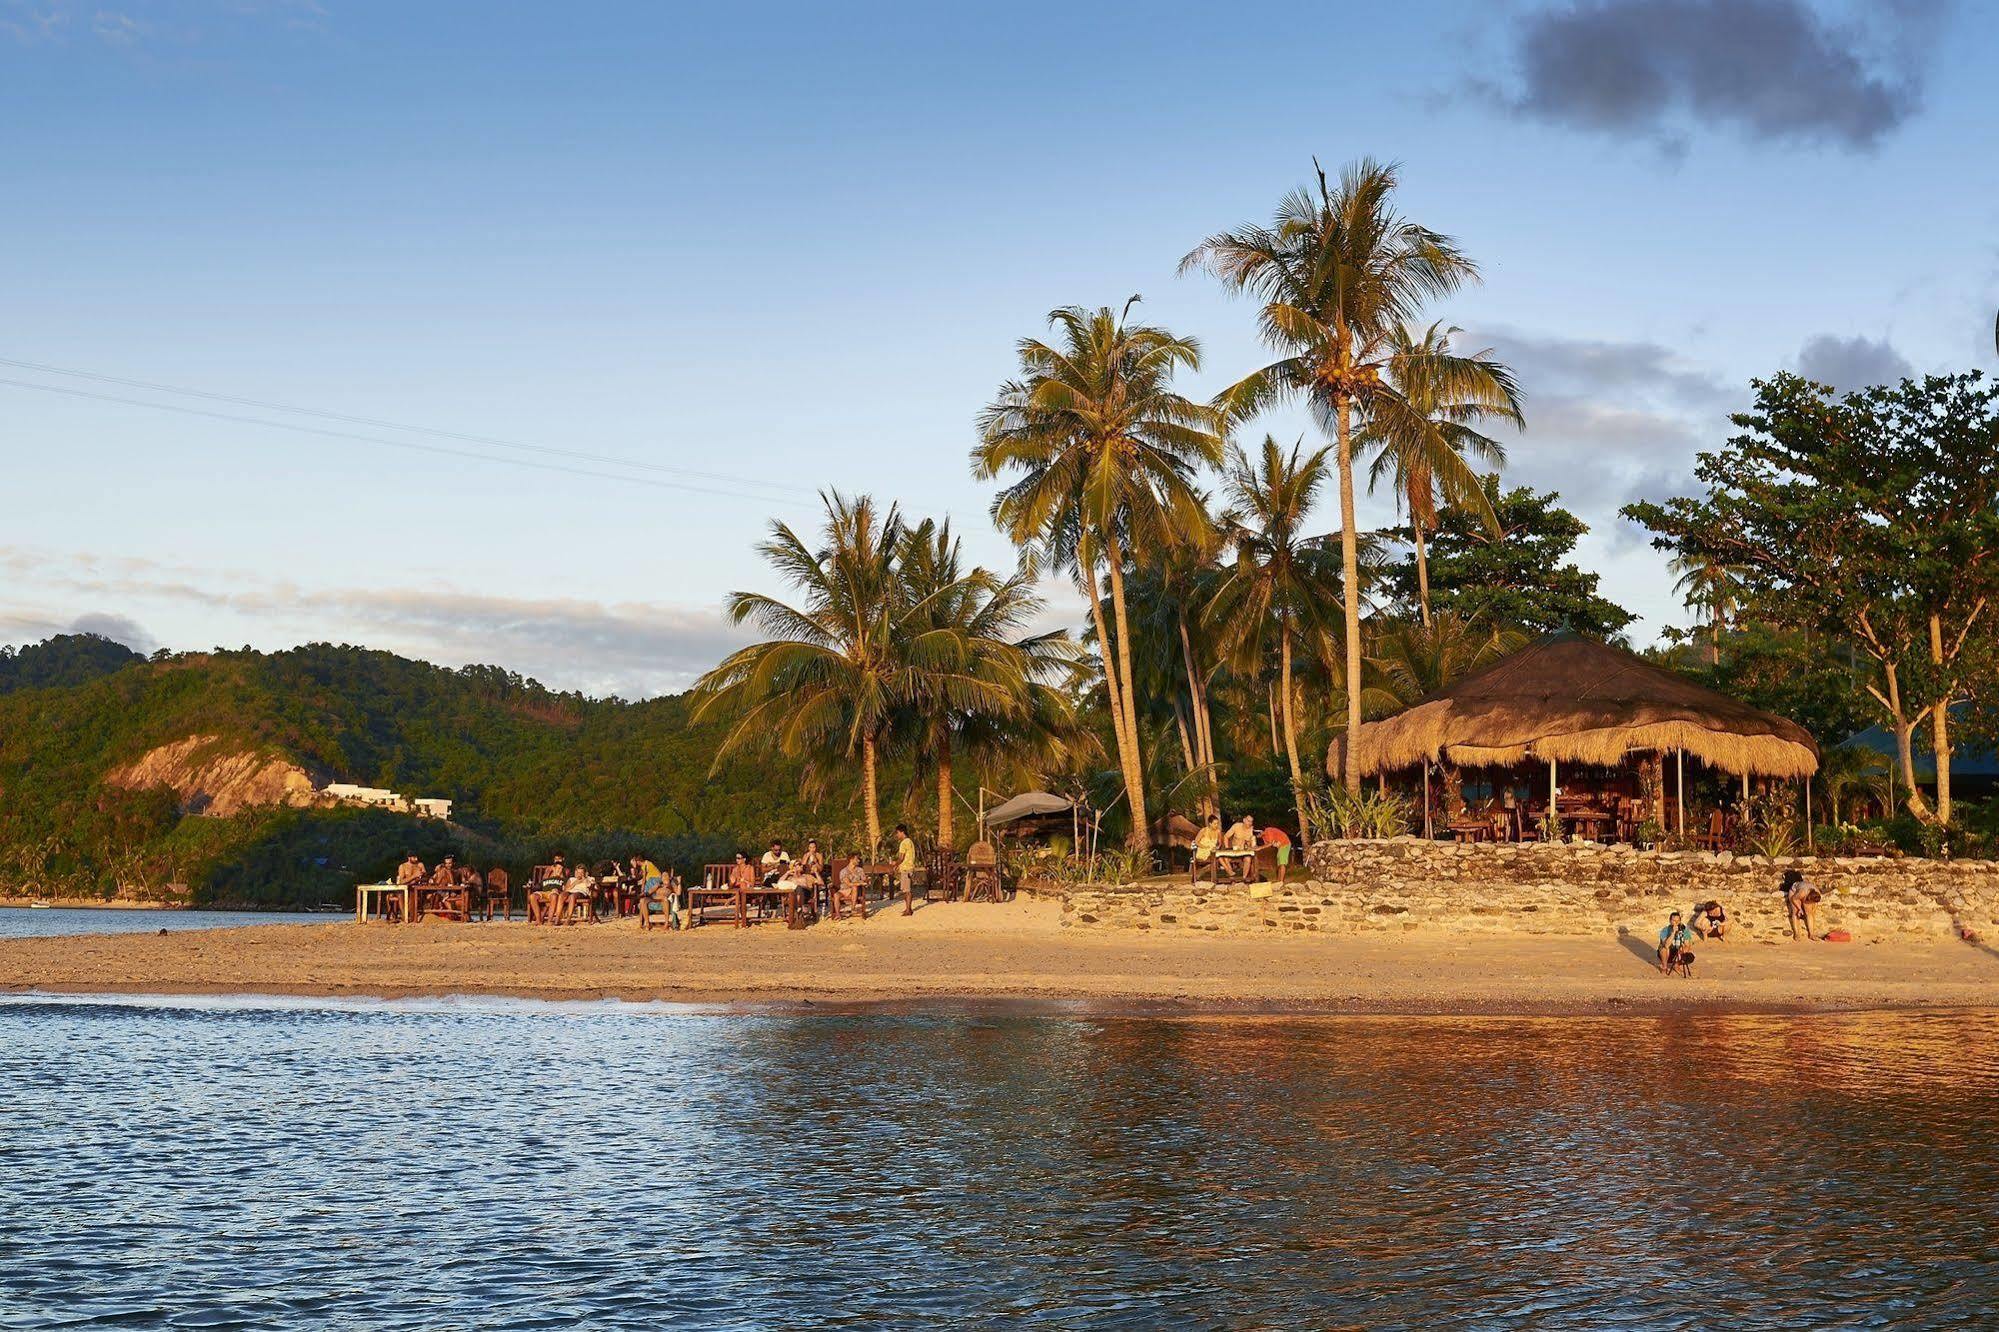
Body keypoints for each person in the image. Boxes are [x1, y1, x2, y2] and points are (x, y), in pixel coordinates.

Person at [1783, 869, 1823, 941]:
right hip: (1794, 892)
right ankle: (1797, 934)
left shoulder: (1817, 893)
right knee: (1795, 913)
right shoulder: (1802, 892)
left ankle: (1811, 934)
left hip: (1806, 893)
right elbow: (1794, 899)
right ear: (1808, 897)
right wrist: (1800, 909)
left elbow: (1815, 903)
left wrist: (1813, 911)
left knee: (1810, 914)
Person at [1657, 911, 1696, 977]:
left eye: (1678, 921)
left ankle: (1676, 965)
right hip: (1666, 953)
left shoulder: (1684, 930)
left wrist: (1681, 951)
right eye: (1674, 920)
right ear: (1670, 921)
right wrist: (1673, 932)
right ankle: (1664, 967)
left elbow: (1687, 945)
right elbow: (1666, 945)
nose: (1676, 923)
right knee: (1664, 949)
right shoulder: (1665, 930)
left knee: (1689, 955)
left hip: (1678, 953)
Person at [1220, 815, 1258, 882]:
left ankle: (1244, 879)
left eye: (1251, 822)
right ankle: (1232, 877)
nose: (1250, 823)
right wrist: (1227, 848)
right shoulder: (1236, 826)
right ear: (1244, 820)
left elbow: (1251, 845)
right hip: (1234, 849)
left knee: (1248, 859)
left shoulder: (1251, 830)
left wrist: (1251, 841)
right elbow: (1226, 836)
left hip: (1244, 851)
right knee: (1225, 858)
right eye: (1248, 821)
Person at [833, 855, 868, 920]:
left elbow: (864, 880)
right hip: (844, 890)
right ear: (851, 860)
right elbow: (848, 883)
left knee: (854, 887)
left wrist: (867, 881)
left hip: (855, 891)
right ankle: (838, 914)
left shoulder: (860, 870)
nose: (859, 860)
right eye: (857, 859)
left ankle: (853, 908)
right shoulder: (844, 871)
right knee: (836, 895)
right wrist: (860, 883)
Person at [1190, 815, 1222, 884]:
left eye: (1217, 823)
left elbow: (1219, 843)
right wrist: (1205, 847)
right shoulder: (1203, 830)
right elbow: (1196, 841)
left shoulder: (1218, 832)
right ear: (1210, 824)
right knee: (1217, 858)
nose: (1216, 825)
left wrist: (1218, 847)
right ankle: (1229, 873)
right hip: (1203, 850)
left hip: (1212, 851)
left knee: (1219, 857)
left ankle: (1228, 873)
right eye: (1215, 823)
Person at [895, 824, 918, 916]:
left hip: (906, 868)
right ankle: (908, 908)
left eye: (897, 833)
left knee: (907, 890)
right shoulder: (910, 841)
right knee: (906, 890)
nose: (897, 835)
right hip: (909, 867)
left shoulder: (904, 843)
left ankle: (909, 910)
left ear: (902, 832)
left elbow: (901, 857)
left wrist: (895, 864)